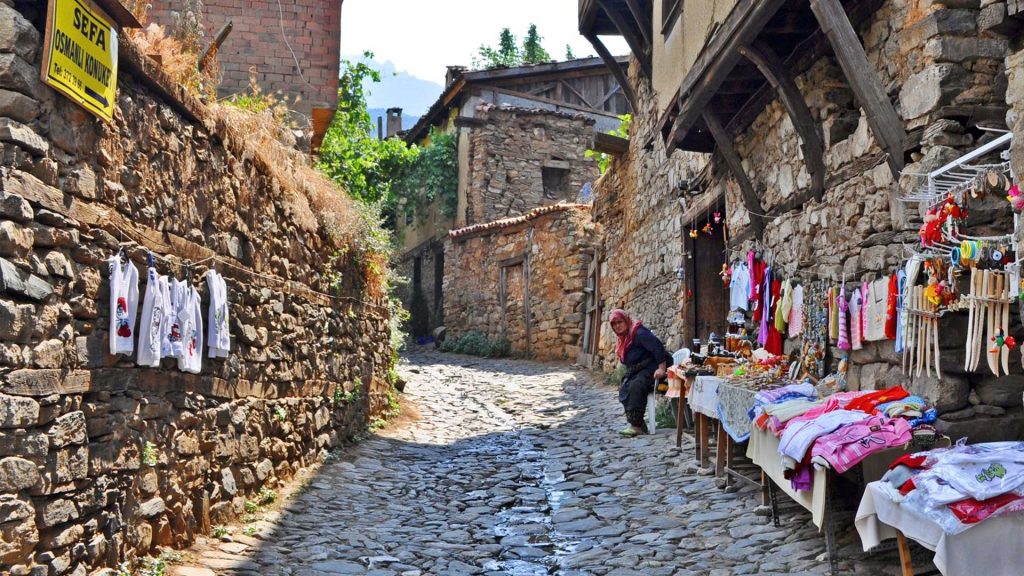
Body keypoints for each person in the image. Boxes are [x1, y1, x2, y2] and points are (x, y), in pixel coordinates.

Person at [609, 309, 670, 437]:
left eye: (620, 322)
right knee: (625, 386)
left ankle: (635, 426)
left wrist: (661, 368)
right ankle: (640, 424)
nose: (617, 326)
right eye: (614, 324)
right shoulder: (624, 338)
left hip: (653, 366)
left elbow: (657, 347)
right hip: (641, 369)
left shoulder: (639, 333)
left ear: (626, 320)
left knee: (636, 385)